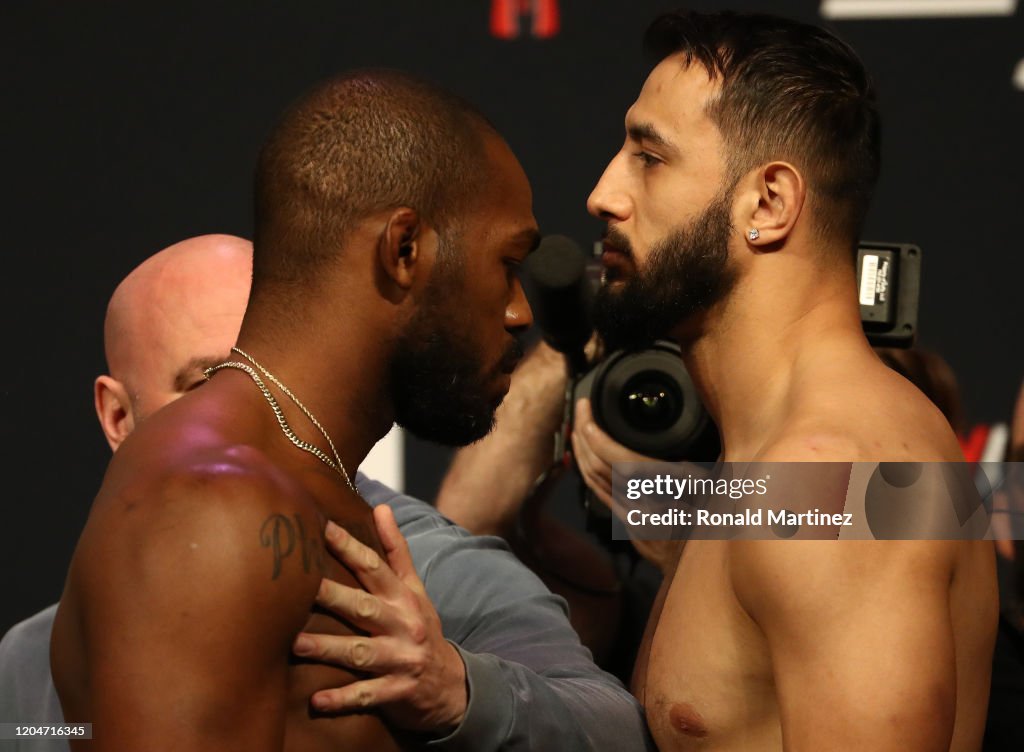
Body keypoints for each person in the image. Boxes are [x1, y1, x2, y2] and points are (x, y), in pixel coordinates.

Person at [45, 71, 648, 751]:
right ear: (404, 251)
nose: (519, 312)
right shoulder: (214, 506)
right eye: (506, 263)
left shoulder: (303, 488)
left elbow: (610, 725)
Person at [575, 10, 996, 751]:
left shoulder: (830, 475)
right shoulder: (783, 477)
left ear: (768, 204)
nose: (605, 194)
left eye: (650, 156)